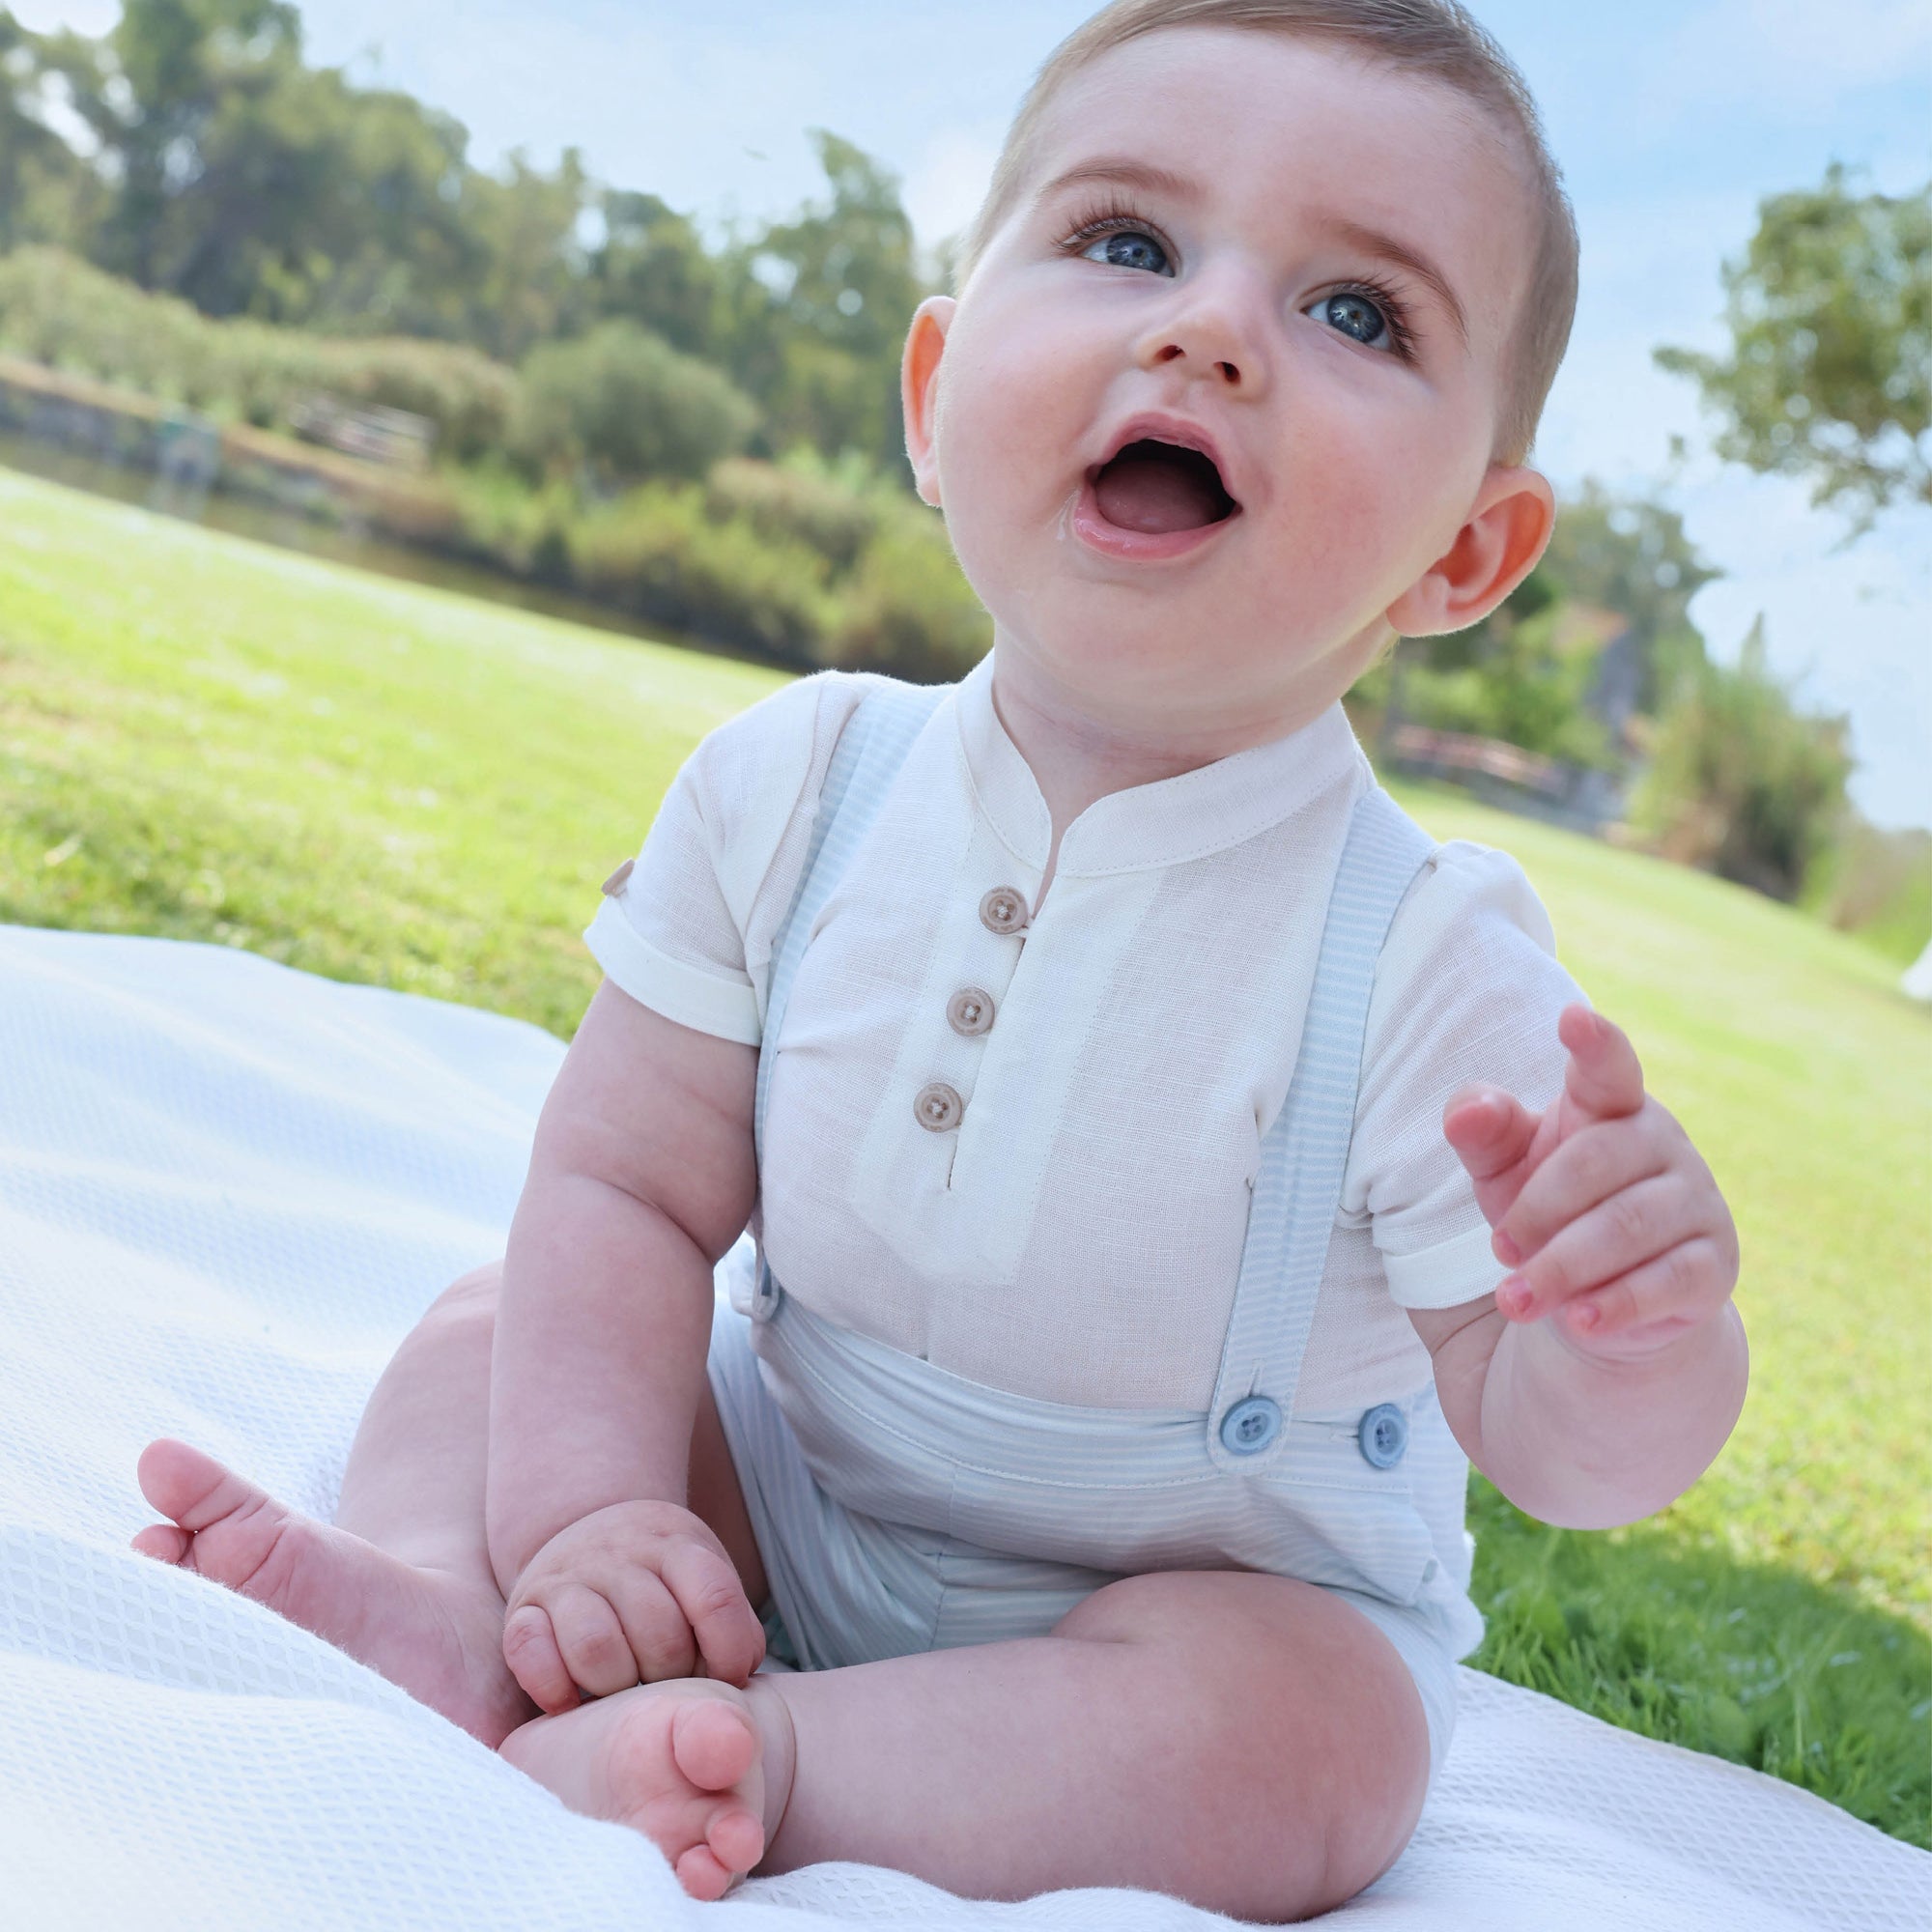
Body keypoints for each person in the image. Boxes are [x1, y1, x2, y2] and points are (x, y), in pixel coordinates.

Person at [129, 1, 1747, 1918]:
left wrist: (1632, 1335)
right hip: (785, 1504)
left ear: (1464, 558)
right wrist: (597, 1518)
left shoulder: (1422, 957)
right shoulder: (790, 787)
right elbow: (625, 1187)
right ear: (933, 389)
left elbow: (1559, 1452)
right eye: (1128, 242)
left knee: (1313, 1738)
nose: (1208, 326)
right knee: (500, 1332)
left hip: (1176, 1621)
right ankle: (479, 1620)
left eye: (1358, 313)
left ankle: (778, 1764)